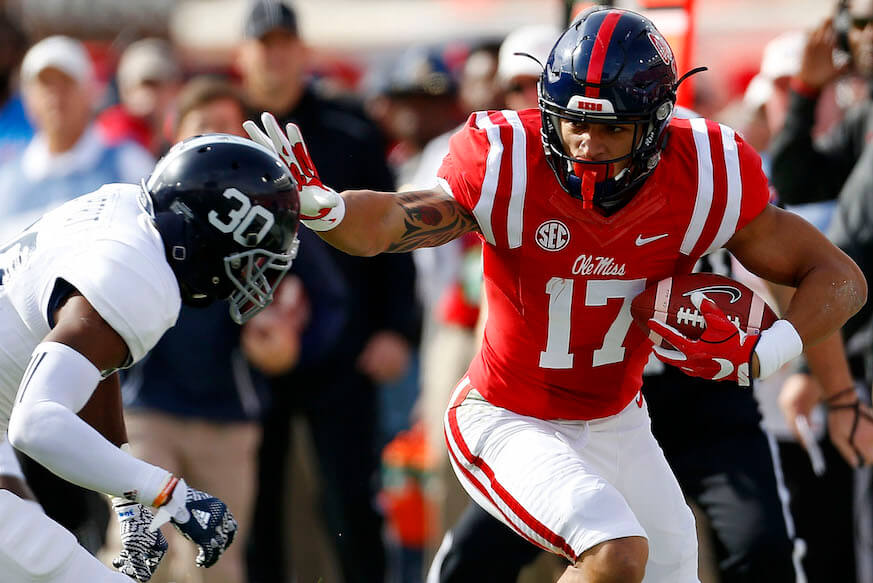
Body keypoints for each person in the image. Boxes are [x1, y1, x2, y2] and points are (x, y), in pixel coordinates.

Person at [245, 6, 868, 582]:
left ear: (654, 124)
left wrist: (769, 352)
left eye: (611, 130)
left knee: (669, 567)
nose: (586, 146)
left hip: (618, 419)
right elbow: (394, 221)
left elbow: (840, 278)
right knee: (616, 551)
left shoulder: (704, 168)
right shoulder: (508, 159)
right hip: (508, 415)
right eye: (573, 123)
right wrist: (330, 212)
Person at [0, 131, 303, 581]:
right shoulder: (141, 278)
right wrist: (168, 494)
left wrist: (130, 502)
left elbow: (88, 361)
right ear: (217, 232)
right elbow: (36, 423)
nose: (253, 274)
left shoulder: (126, 209)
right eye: (251, 257)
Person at [110, 76, 346, 583]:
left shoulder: (267, 215)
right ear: (176, 134)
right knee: (136, 551)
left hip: (229, 412)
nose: (216, 142)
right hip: (146, 404)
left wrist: (292, 346)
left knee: (214, 561)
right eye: (203, 128)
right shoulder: (142, 205)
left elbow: (327, 302)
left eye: (226, 129)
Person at [236, 2, 420, 582]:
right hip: (251, 345)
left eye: (283, 42)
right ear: (243, 55)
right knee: (256, 502)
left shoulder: (350, 127)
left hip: (344, 344)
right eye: (263, 44)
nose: (274, 54)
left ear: (302, 50)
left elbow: (395, 231)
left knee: (348, 498)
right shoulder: (223, 130)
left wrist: (397, 329)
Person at [0, 35, 155, 241]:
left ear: (89, 92)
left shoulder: (129, 163)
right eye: (45, 85)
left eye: (66, 84)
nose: (55, 97)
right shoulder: (7, 180)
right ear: (27, 98)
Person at [97, 38, 183, 157]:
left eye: (157, 85)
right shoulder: (109, 137)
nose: (149, 95)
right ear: (125, 91)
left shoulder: (180, 135)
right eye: (142, 86)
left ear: (174, 88)